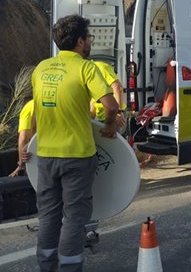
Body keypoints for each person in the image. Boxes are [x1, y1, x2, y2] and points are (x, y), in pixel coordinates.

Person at [32, 15, 118, 272]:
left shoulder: (40, 69)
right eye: (88, 38)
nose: (89, 42)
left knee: (48, 216)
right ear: (80, 41)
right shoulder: (86, 68)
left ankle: (46, 266)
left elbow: (37, 112)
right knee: (74, 217)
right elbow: (110, 105)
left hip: (45, 155)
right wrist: (111, 125)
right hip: (77, 155)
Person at [90, 60, 127, 130]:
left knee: (113, 139)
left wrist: (117, 112)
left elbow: (118, 88)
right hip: (103, 117)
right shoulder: (85, 73)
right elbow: (92, 100)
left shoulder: (100, 67)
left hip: (114, 113)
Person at [9, 99, 34, 177]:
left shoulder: (30, 106)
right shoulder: (63, 101)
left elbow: (23, 138)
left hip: (40, 158)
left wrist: (21, 165)